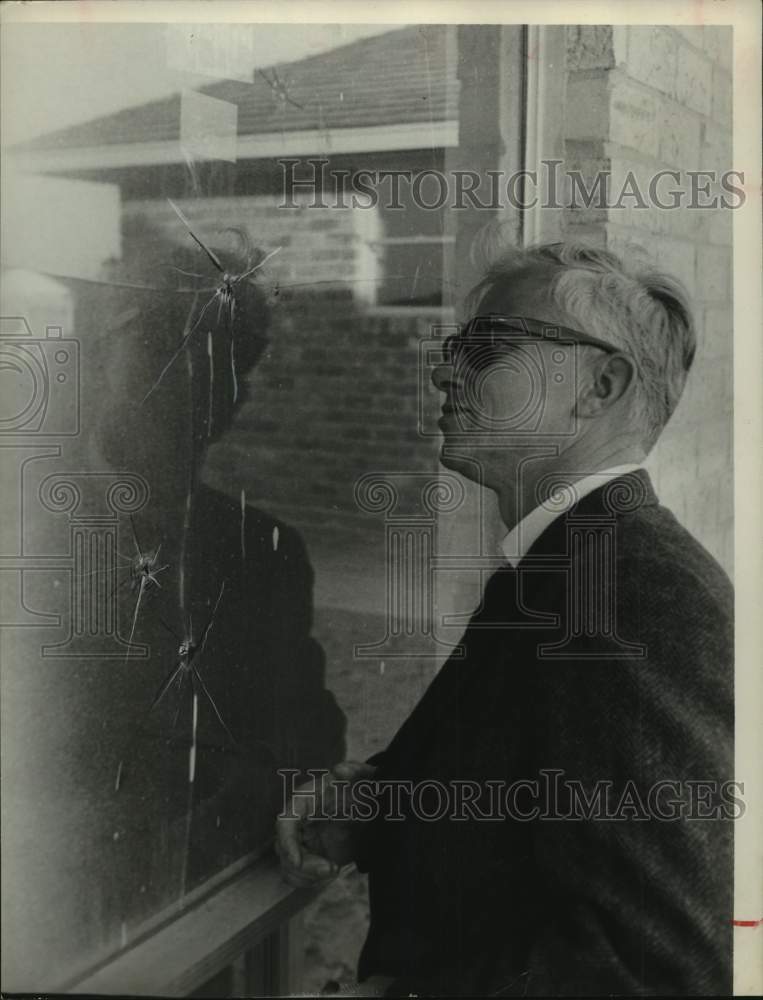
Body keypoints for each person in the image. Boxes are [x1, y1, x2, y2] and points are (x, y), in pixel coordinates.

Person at [276, 243, 734, 996]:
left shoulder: (640, 593)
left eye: (488, 347)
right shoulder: (560, 565)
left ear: (600, 385)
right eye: (457, 347)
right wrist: (382, 803)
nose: (444, 371)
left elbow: (657, 966)